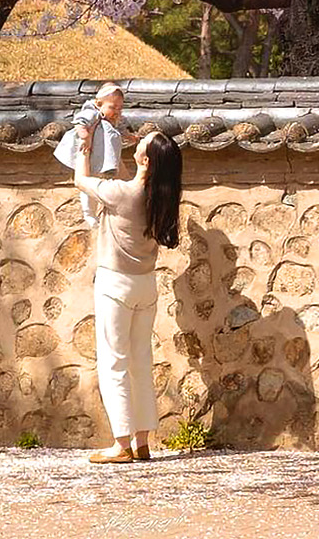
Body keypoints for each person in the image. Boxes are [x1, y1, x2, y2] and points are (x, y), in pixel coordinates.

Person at [73, 112, 183, 465]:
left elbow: (80, 179)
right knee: (140, 361)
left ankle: (121, 443)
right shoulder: (160, 198)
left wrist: (84, 145)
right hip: (146, 286)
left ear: (145, 160)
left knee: (114, 363)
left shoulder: (121, 194)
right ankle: (143, 441)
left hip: (115, 285)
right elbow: (126, 176)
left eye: (145, 144)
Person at [53, 83, 127, 227]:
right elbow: (79, 123)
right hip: (89, 153)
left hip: (100, 157)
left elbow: (123, 128)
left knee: (99, 185)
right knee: (88, 186)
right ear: (99, 104)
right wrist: (85, 137)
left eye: (120, 108)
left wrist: (130, 137)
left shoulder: (110, 120)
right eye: (113, 107)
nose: (117, 111)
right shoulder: (92, 113)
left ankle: (98, 211)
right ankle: (89, 213)